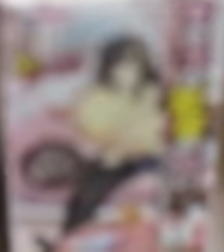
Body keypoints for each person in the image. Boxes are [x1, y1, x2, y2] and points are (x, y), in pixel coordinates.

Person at [62, 37, 164, 236]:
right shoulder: (95, 96)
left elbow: (154, 132)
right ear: (108, 68)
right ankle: (70, 238)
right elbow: (92, 130)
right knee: (87, 193)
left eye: (134, 67)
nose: (127, 74)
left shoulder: (153, 93)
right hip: (113, 159)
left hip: (151, 158)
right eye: (120, 67)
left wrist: (129, 140)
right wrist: (118, 141)